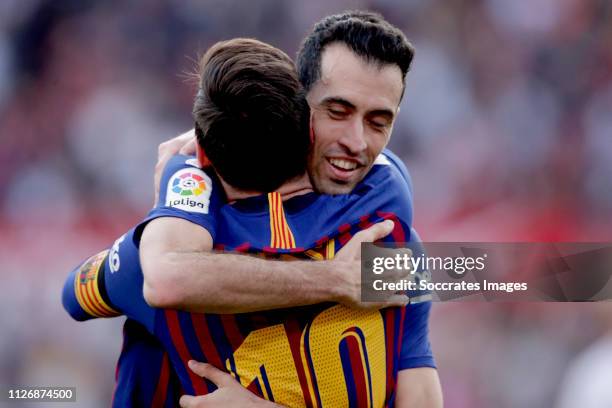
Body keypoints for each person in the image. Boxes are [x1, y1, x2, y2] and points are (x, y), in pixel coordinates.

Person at [65, 10, 442, 407]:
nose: (357, 141)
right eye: (338, 111)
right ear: (298, 106)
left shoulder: (389, 243)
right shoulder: (390, 231)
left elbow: (77, 293)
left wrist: (185, 181)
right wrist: (335, 279)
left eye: (379, 122)